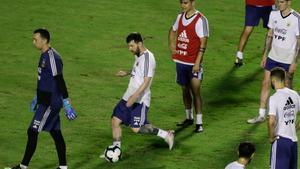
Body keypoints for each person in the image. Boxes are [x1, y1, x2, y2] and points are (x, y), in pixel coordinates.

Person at [9, 28, 77, 169]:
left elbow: (59, 80)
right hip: (45, 99)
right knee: (55, 132)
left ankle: (23, 166)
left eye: (36, 39)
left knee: (32, 131)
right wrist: (37, 97)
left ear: (45, 40)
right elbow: (46, 80)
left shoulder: (53, 57)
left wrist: (66, 102)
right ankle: (63, 167)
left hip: (50, 102)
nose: (34, 42)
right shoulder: (44, 55)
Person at [107, 32, 174, 152]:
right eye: (129, 46)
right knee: (115, 120)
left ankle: (166, 135)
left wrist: (134, 97)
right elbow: (138, 70)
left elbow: (146, 81)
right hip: (128, 96)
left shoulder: (149, 58)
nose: (130, 49)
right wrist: (127, 73)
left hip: (140, 100)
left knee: (136, 128)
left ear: (140, 44)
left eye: (132, 46)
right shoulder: (138, 55)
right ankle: (116, 150)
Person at [247, 0, 300, 124]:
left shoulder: (296, 18)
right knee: (265, 82)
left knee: (287, 87)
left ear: (289, 2)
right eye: (277, 1)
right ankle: (261, 114)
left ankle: (288, 113)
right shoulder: (274, 14)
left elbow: (299, 42)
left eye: (281, 2)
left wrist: (294, 62)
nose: (278, 4)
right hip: (273, 56)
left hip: (287, 59)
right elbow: (270, 35)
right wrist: (265, 55)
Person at [168, 0, 209, 132]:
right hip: (181, 62)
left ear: (193, 2)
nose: (183, 5)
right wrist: (172, 46)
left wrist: (197, 63)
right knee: (184, 90)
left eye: (185, 3)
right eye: (181, 3)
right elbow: (172, 30)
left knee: (195, 91)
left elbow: (203, 43)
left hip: (193, 64)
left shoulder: (200, 20)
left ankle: (199, 122)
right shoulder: (180, 17)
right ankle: (188, 117)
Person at [268, 67, 299, 169]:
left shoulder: (274, 98)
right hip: (293, 142)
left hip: (280, 141)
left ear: (273, 80)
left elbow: (271, 121)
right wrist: (296, 128)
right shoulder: (295, 95)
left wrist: (271, 137)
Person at [234, 0, 275, 67]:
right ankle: (265, 58)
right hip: (268, 4)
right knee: (270, 31)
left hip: (252, 4)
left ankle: (239, 57)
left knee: (247, 29)